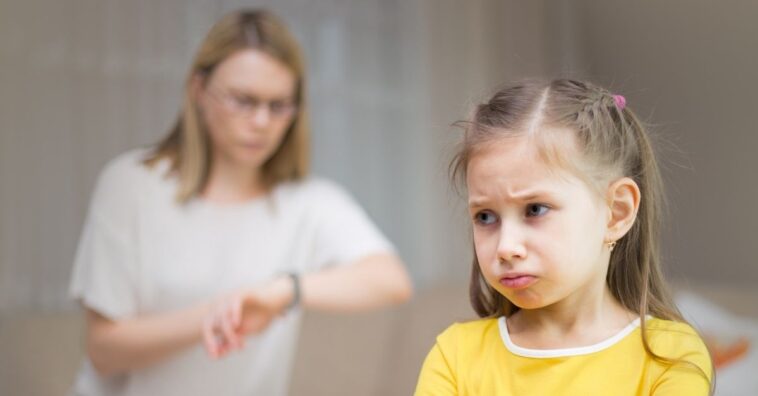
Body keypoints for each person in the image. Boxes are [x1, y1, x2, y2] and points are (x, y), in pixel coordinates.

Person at [69, 9, 412, 396]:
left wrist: (282, 291)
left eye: (279, 105)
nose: (262, 121)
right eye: (243, 101)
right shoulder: (131, 184)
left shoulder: (307, 202)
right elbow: (103, 350)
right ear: (199, 91)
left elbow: (391, 280)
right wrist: (218, 314)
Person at [414, 79, 712, 395]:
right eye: (485, 217)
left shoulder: (672, 355)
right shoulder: (455, 356)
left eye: (535, 209)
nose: (506, 247)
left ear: (616, 212)